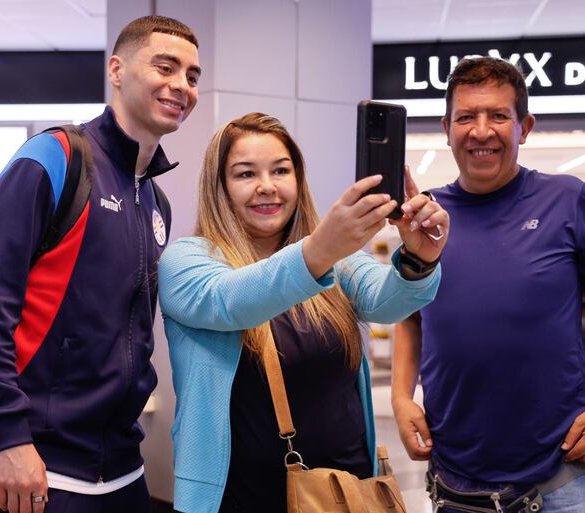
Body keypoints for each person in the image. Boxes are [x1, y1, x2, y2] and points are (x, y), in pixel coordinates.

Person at [0, 15, 200, 513]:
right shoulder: (55, 157)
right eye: (165, 67)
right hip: (33, 461)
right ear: (117, 69)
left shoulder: (155, 200)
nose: (182, 86)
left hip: (120, 463)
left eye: (192, 76)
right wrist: (8, 436)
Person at [157, 112, 450, 513]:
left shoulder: (335, 263)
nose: (267, 187)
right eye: (245, 174)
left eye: (281, 170)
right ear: (219, 186)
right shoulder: (188, 260)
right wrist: (322, 248)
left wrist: (419, 259)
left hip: (344, 495)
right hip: (238, 499)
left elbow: (389, 300)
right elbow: (229, 302)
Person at [391, 56, 585, 513]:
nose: (481, 130)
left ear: (525, 126)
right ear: (446, 127)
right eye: (466, 117)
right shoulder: (425, 214)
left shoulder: (567, 199)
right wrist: (401, 398)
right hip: (455, 481)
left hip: (559, 480)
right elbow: (409, 314)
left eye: (498, 115)